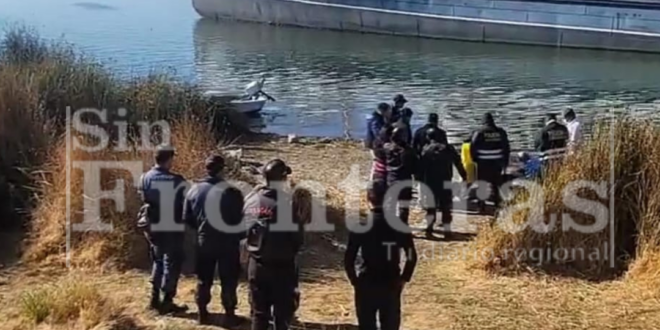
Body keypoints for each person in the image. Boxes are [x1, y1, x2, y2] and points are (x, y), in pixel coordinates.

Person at [344, 180, 417, 330]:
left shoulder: (360, 226)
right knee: (390, 324)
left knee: (366, 324)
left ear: (367, 198)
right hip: (391, 281)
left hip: (366, 280)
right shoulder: (400, 226)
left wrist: (354, 280)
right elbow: (412, 257)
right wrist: (404, 279)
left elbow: (348, 259)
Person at [184, 155, 245, 326]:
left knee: (204, 279)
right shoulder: (232, 192)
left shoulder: (194, 190)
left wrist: (201, 228)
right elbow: (240, 219)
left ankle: (202, 314)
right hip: (227, 241)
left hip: (205, 240)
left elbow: (187, 217)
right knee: (229, 280)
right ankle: (229, 315)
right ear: (222, 169)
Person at [244, 159, 304, 330]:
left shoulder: (250, 200)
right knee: (282, 315)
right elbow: (298, 238)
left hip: (256, 264)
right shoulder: (287, 203)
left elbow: (242, 230)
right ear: (283, 179)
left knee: (259, 313)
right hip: (282, 267)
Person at [138, 145, 188, 314]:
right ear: (169, 160)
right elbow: (185, 204)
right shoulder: (177, 180)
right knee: (172, 263)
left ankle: (153, 299)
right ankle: (167, 300)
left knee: (157, 260)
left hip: (152, 227)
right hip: (172, 226)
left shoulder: (144, 177)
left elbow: (144, 200)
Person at [418, 128, 467, 239]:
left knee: (431, 208)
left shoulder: (426, 149)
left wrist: (420, 180)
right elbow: (458, 163)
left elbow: (421, 168)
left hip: (430, 182)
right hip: (446, 181)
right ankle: (447, 232)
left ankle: (429, 230)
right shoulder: (448, 148)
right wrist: (464, 176)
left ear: (429, 137)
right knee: (446, 208)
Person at [470, 112, 510, 211]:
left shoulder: (479, 132)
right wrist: (505, 161)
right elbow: (506, 147)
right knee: (496, 184)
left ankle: (481, 205)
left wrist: (475, 159)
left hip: (483, 163)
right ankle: (497, 203)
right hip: (497, 163)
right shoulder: (500, 132)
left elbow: (472, 147)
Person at [384, 125, 418, 225]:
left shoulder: (387, 147)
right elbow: (415, 167)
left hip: (391, 179)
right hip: (404, 180)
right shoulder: (409, 151)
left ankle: (389, 226)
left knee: (391, 205)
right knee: (403, 206)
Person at [366, 103, 393, 180]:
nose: (390, 112)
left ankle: (372, 180)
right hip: (374, 144)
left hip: (372, 143)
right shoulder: (376, 119)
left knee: (376, 163)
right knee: (376, 162)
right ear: (384, 111)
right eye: (389, 111)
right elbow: (377, 133)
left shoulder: (375, 116)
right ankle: (372, 182)